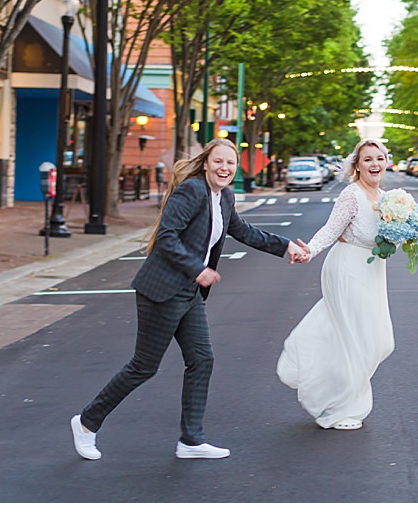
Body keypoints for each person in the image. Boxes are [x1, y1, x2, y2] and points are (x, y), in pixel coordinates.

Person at [70, 138, 308, 461]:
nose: (224, 168)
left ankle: (191, 440)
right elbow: (167, 235)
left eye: (230, 163)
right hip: (162, 290)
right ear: (206, 163)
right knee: (143, 366)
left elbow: (244, 230)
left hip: (190, 293)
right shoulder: (192, 191)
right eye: (219, 162)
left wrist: (285, 248)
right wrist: (198, 269)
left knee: (202, 359)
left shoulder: (224, 196)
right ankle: (86, 423)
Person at [276, 138, 394, 431]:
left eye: (378, 158)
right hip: (347, 268)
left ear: (386, 162)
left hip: (373, 269)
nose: (374, 164)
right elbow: (331, 229)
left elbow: (391, 234)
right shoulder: (351, 196)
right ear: (357, 165)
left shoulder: (388, 197)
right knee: (357, 338)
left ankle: (321, 381)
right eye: (367, 159)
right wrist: (309, 251)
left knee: (379, 340)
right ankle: (341, 408)